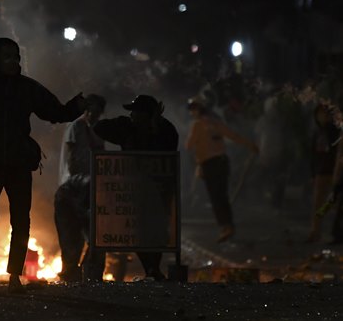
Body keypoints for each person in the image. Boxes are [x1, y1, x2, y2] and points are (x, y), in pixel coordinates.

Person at [0, 38, 86, 293]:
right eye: (7, 57)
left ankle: (14, 277)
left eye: (16, 57)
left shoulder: (28, 89)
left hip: (18, 163)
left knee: (21, 221)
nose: (13, 62)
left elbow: (55, 112)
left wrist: (75, 108)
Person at [93, 94, 179, 281]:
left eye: (135, 112)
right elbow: (99, 127)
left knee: (156, 229)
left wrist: (155, 128)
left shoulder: (165, 130)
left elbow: (171, 147)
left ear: (146, 114)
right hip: (133, 189)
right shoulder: (127, 128)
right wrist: (128, 124)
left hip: (159, 190)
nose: (131, 115)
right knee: (136, 230)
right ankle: (151, 270)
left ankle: (153, 269)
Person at [185, 98, 259, 243]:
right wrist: (250, 145)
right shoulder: (215, 123)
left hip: (210, 165)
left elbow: (188, 146)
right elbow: (233, 136)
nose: (192, 112)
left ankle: (226, 226)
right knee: (222, 196)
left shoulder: (197, 125)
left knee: (216, 197)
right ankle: (228, 226)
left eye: (193, 109)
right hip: (222, 163)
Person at [54, 94, 107, 282]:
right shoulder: (76, 126)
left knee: (95, 235)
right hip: (72, 188)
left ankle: (87, 274)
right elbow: (72, 158)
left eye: (98, 110)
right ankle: (72, 275)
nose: (94, 113)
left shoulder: (96, 130)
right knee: (71, 236)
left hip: (90, 188)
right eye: (92, 109)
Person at [307, 104, 340, 242]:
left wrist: (337, 172)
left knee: (332, 202)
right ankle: (316, 231)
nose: (322, 116)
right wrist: (313, 174)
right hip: (320, 172)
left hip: (332, 171)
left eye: (325, 113)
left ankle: (335, 230)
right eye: (320, 113)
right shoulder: (317, 132)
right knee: (318, 204)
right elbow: (313, 154)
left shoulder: (334, 131)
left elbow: (337, 153)